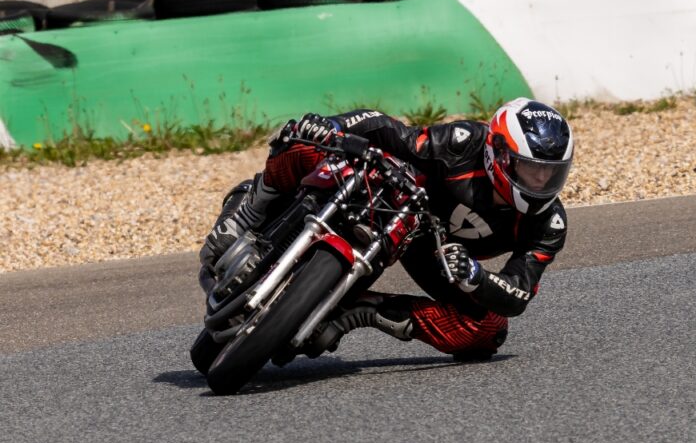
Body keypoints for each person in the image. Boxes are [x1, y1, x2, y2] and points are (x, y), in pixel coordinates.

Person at [200, 97, 573, 361]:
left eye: (550, 173)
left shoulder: (549, 224)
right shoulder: (463, 143)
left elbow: (519, 291)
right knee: (306, 140)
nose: (541, 182)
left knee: (488, 331)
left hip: (440, 256)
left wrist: (476, 277)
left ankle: (358, 310)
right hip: (397, 201)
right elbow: (388, 128)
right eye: (531, 169)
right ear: (499, 153)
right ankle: (249, 211)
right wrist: (333, 126)